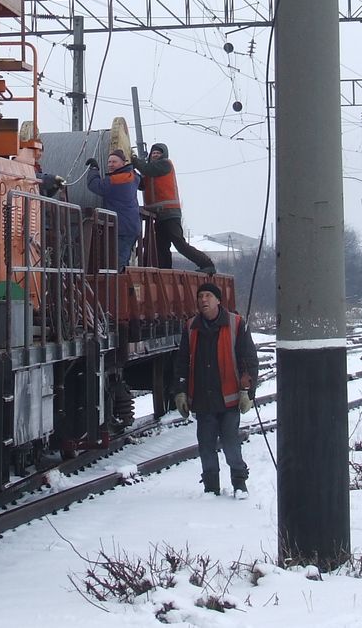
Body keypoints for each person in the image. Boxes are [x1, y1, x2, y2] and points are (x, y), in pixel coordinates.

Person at [173, 282, 258, 497]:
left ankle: (239, 483)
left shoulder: (236, 324)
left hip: (228, 400)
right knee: (206, 446)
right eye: (200, 296)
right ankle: (211, 488)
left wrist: (247, 392)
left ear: (218, 300)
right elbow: (182, 361)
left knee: (231, 444)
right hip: (203, 400)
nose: (203, 300)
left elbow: (248, 360)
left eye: (208, 296)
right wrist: (180, 390)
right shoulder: (191, 326)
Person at [132, 142, 216, 274]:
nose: (155, 155)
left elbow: (147, 170)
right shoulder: (149, 171)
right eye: (153, 153)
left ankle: (206, 263)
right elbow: (141, 184)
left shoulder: (165, 165)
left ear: (163, 155)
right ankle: (165, 270)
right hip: (158, 214)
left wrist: (133, 160)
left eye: (158, 153)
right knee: (161, 246)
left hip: (170, 212)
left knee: (179, 243)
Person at [86, 148, 141, 271]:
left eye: (114, 162)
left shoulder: (118, 180)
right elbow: (139, 178)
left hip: (122, 229)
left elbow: (96, 185)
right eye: (109, 162)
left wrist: (93, 170)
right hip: (129, 227)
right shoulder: (132, 176)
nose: (110, 164)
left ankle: (119, 287)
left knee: (116, 264)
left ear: (123, 163)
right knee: (119, 262)